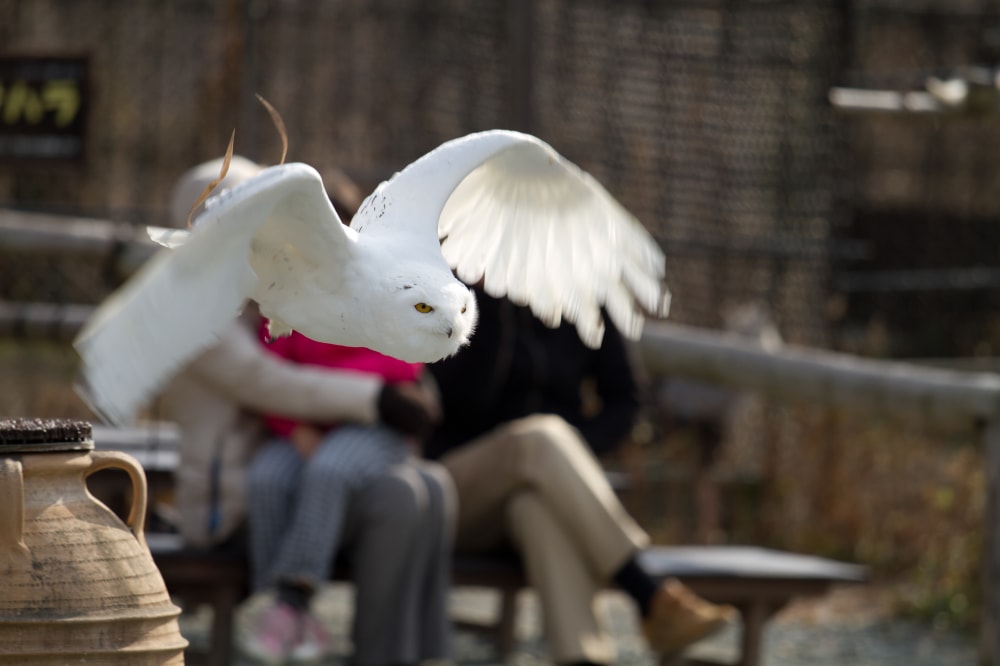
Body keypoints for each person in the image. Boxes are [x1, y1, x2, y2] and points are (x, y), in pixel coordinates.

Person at [159, 156, 455, 665]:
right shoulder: (205, 309)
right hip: (233, 499)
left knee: (421, 487)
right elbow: (271, 381)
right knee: (316, 479)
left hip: (338, 451)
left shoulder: (332, 294)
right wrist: (342, 412)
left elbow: (404, 360)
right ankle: (289, 605)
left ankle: (397, 646)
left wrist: (399, 395)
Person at [425, 286, 736, 665]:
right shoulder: (457, 284)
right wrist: (489, 307)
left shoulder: (583, 287)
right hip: (454, 492)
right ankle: (648, 592)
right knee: (541, 436)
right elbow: (450, 402)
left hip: (539, 490)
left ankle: (585, 658)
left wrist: (570, 455)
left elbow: (626, 402)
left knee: (536, 507)